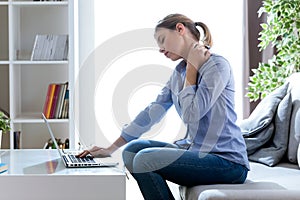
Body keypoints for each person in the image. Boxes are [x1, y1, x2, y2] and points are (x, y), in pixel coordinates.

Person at [78, 13, 249, 200]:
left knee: (145, 159)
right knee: (131, 151)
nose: (160, 49)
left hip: (227, 162)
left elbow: (192, 115)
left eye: (162, 40)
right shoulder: (179, 72)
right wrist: (110, 148)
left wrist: (192, 67)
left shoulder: (217, 65)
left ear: (180, 29)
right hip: (194, 150)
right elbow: (153, 111)